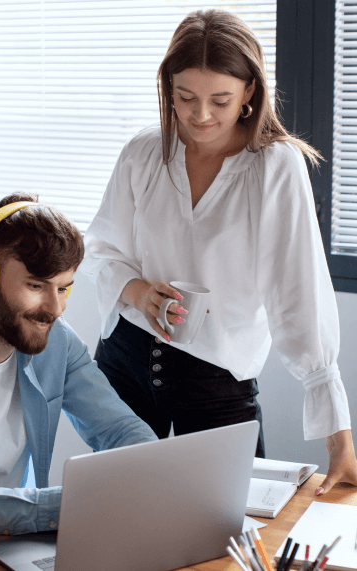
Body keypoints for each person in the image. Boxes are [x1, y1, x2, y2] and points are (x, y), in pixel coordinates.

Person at [80, 9, 357, 494]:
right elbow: (101, 249)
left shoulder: (274, 168)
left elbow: (300, 298)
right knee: (118, 515)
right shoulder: (143, 152)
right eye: (185, 96)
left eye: (220, 100)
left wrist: (339, 442)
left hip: (217, 386)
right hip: (125, 362)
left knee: (228, 526)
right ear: (168, 87)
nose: (200, 115)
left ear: (249, 91)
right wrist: (139, 291)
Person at [0, 193, 157, 564]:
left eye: (63, 288)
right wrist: (76, 503)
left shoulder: (59, 343)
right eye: (35, 286)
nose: (55, 309)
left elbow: (122, 431)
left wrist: (153, 471)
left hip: (10, 544)